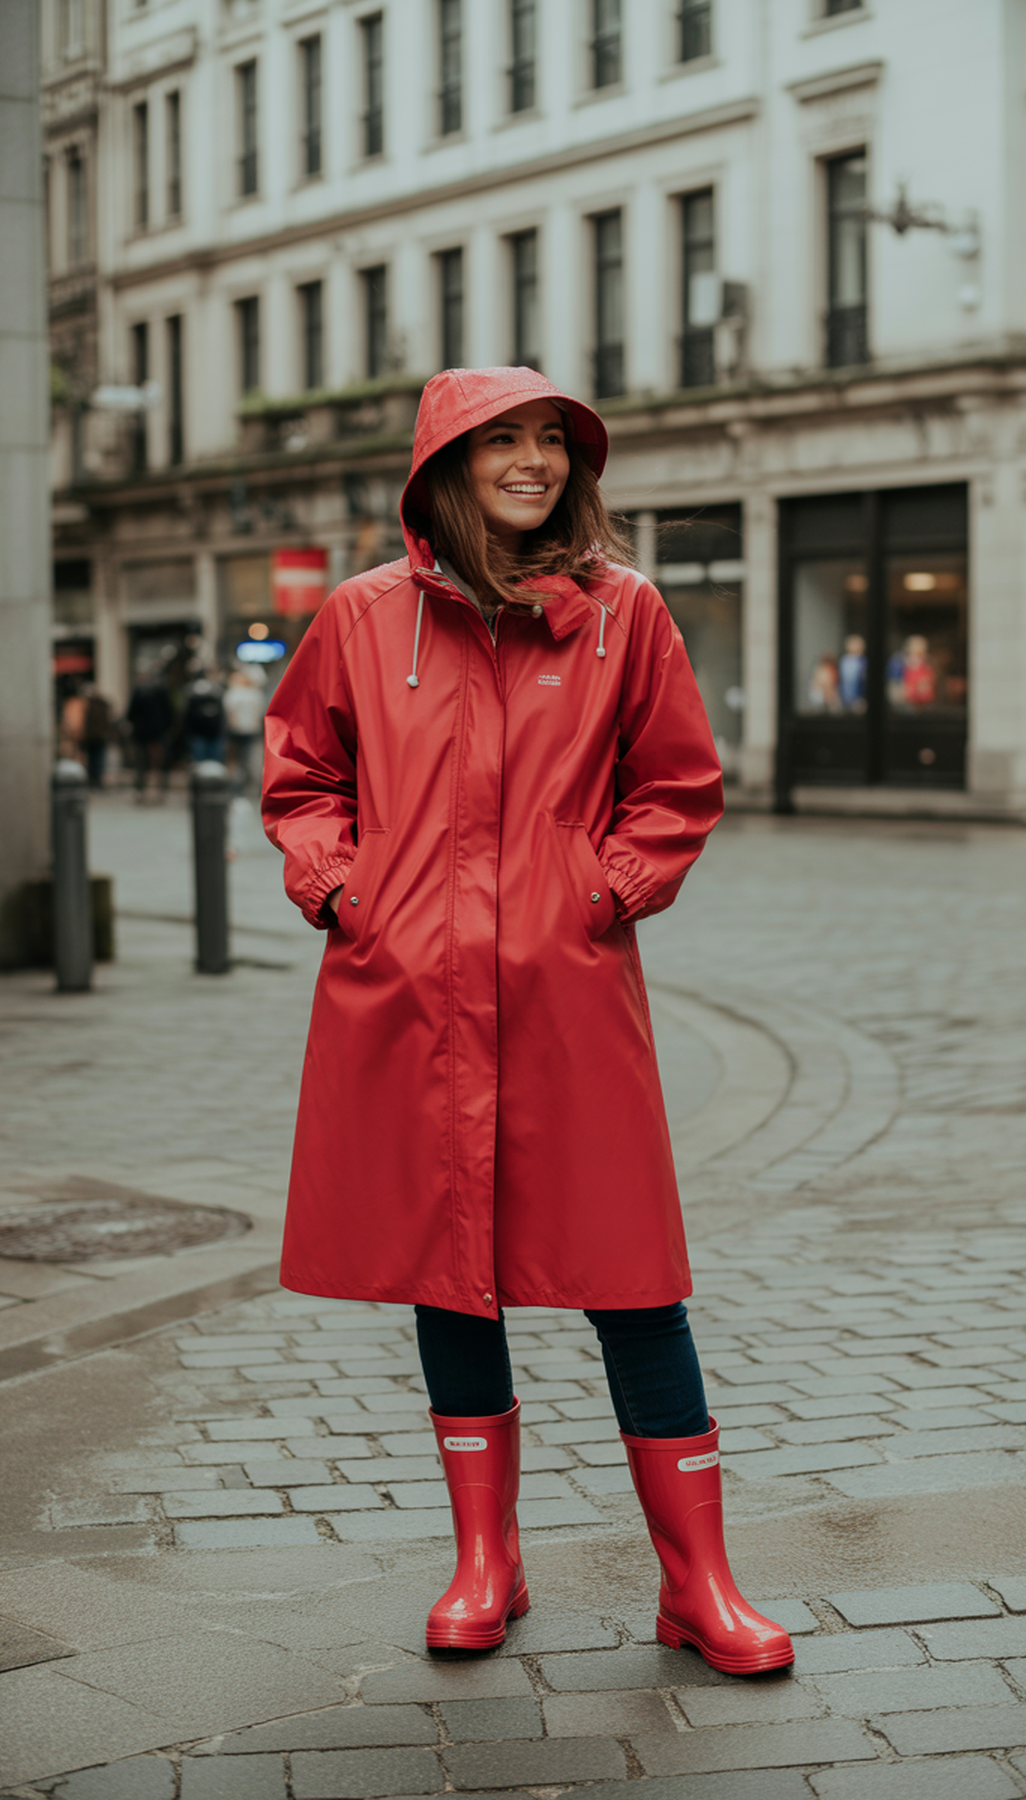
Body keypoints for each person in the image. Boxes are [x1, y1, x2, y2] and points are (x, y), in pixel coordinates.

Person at [262, 367, 793, 1674]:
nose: (534, 461)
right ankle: (485, 1566)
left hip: (568, 998)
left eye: (551, 440)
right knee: (452, 1276)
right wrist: (342, 887)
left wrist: (603, 893)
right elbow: (303, 777)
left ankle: (699, 1583)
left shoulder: (627, 618)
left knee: (636, 1281)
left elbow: (674, 787)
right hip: (411, 999)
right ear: (447, 462)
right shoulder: (360, 618)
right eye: (503, 440)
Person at [126, 668, 174, 801]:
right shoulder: (161, 691)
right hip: (159, 732)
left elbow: (131, 714)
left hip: (142, 733)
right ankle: (161, 790)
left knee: (142, 764)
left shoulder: (139, 691)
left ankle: (140, 791)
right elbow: (169, 713)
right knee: (160, 762)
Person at [224, 669, 266, 794]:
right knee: (236, 759)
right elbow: (230, 712)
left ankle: (247, 785)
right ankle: (235, 785)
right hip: (238, 730)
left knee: (248, 759)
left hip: (250, 730)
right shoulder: (235, 692)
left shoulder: (254, 693)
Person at [183, 671, 227, 763]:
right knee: (206, 762)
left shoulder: (216, 691)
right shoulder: (216, 691)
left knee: (209, 762)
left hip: (209, 733)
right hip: (201, 733)